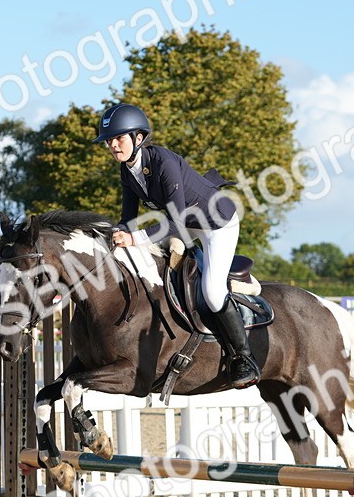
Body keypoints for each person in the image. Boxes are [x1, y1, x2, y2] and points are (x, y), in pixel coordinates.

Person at [93, 102, 260, 389]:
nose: (113, 145)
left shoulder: (163, 163)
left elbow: (177, 223)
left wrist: (134, 238)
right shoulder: (127, 171)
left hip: (217, 224)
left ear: (138, 138)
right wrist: (110, 237)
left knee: (211, 291)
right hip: (186, 224)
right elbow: (128, 220)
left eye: (118, 138)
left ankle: (243, 357)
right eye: (109, 140)